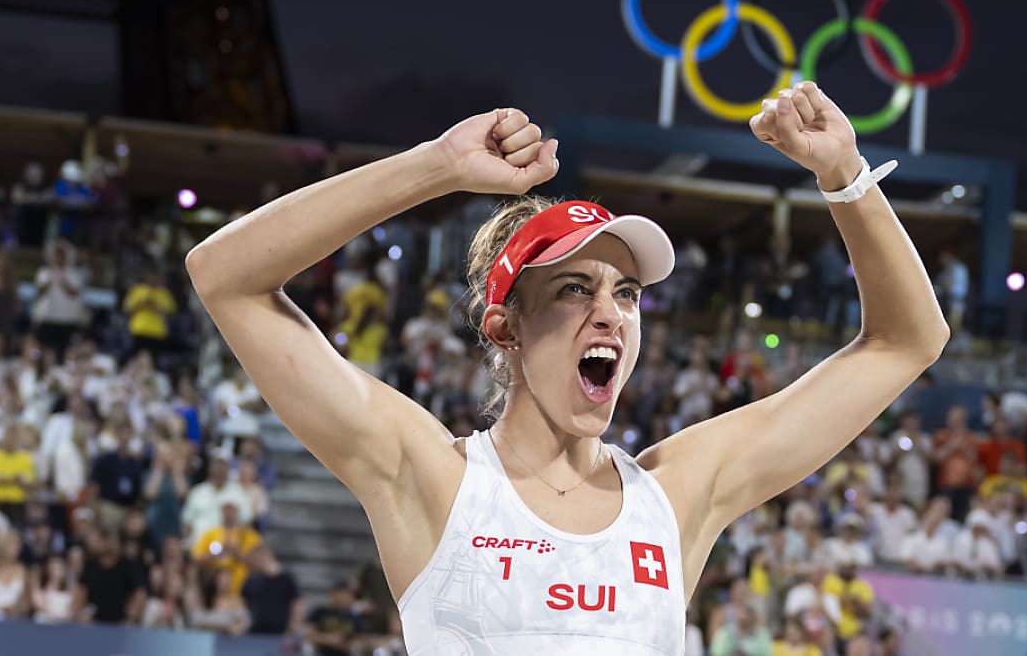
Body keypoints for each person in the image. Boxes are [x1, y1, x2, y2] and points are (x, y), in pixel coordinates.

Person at [186, 84, 948, 652]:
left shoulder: (676, 495)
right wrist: (437, 168)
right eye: (575, 288)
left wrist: (847, 176)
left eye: (627, 293)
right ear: (503, 327)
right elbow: (226, 276)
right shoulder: (435, 480)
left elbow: (906, 340)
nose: (610, 313)